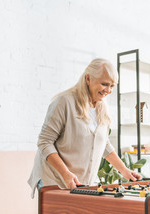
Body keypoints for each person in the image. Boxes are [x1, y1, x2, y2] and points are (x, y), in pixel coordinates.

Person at [28, 58, 141, 198]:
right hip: (54, 180)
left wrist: (124, 170)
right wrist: (65, 174)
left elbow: (103, 143)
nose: (109, 90)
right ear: (88, 78)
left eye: (112, 85)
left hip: (80, 184)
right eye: (104, 84)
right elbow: (45, 142)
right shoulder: (65, 102)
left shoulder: (102, 107)